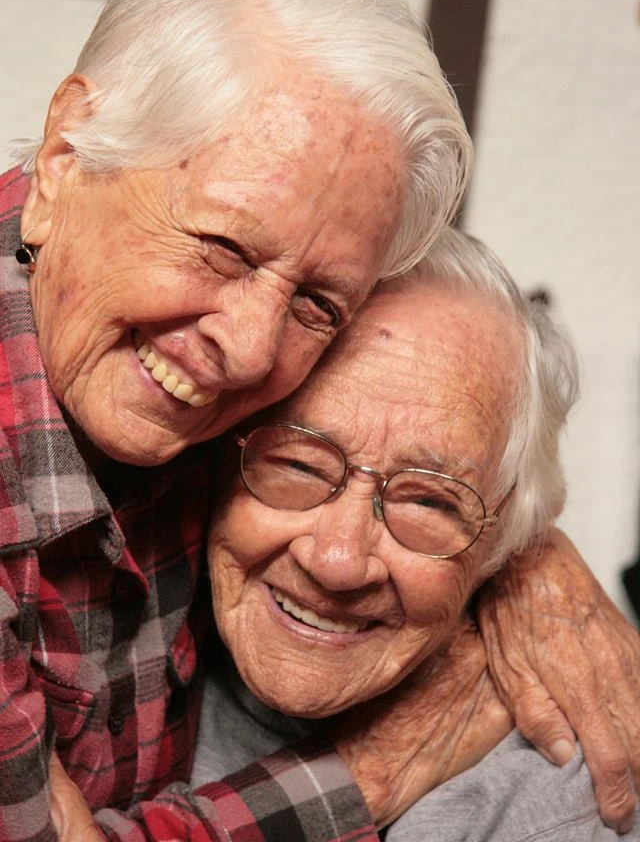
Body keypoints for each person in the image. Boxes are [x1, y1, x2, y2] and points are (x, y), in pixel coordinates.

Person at [0, 0, 637, 842]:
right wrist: (374, 770)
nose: (252, 351)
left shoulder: (161, 382)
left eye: (317, 303)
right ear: (66, 156)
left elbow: (416, 420)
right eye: (223, 248)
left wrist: (515, 557)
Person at [188, 227, 640, 840]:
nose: (338, 561)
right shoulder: (112, 620)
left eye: (429, 500)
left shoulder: (554, 804)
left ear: (504, 544)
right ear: (214, 454)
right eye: (300, 464)